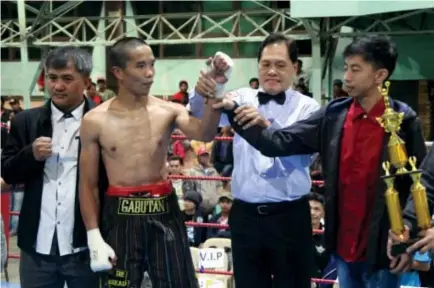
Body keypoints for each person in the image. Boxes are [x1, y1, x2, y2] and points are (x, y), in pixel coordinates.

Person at [215, 35, 427, 287]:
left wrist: (410, 236)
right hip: (342, 240)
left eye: (355, 69)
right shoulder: (334, 114)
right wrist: (231, 109)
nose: (346, 77)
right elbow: (278, 142)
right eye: (346, 68)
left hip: (384, 242)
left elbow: (420, 181)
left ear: (379, 75)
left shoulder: (403, 119)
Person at [78, 37, 232, 287]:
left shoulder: (169, 110)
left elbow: (204, 134)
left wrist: (216, 94)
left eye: (152, 64)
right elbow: (88, 184)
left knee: (178, 283)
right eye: (140, 66)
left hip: (164, 210)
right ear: (118, 72)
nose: (149, 73)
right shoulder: (95, 120)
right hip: (120, 214)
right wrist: (93, 234)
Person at [190, 33, 320, 288]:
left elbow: (303, 157)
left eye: (280, 65)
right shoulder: (240, 97)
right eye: (265, 64)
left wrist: (268, 127)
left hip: (290, 215)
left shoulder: (309, 108)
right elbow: (197, 114)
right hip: (246, 216)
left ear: (295, 67)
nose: (271, 71)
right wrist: (210, 86)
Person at [1, 47, 97, 288]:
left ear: (86, 81)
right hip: (36, 247)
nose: (58, 86)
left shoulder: (102, 121)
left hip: (85, 245)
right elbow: (8, 172)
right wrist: (30, 155)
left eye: (67, 78)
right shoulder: (25, 121)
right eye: (52, 78)